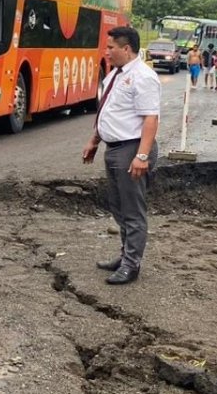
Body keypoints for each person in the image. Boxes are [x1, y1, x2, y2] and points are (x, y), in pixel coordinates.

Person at [81, 26, 160, 285]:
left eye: (111, 47)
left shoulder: (143, 77)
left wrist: (142, 156)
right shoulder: (115, 74)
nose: (107, 52)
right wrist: (94, 140)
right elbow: (109, 111)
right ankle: (126, 254)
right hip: (114, 148)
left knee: (133, 210)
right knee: (118, 206)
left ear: (126, 49)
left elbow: (151, 119)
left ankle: (131, 265)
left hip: (132, 149)